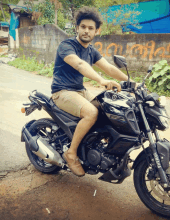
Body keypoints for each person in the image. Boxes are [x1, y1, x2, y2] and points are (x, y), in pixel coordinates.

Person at [51, 6, 134, 177]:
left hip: (79, 91)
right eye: (83, 27)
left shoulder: (91, 50)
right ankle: (71, 153)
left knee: (109, 109)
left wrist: (132, 83)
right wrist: (101, 80)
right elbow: (80, 64)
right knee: (91, 113)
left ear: (97, 31)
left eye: (90, 28)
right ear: (77, 28)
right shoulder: (66, 45)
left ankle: (98, 148)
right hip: (62, 92)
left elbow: (110, 68)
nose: (86, 31)